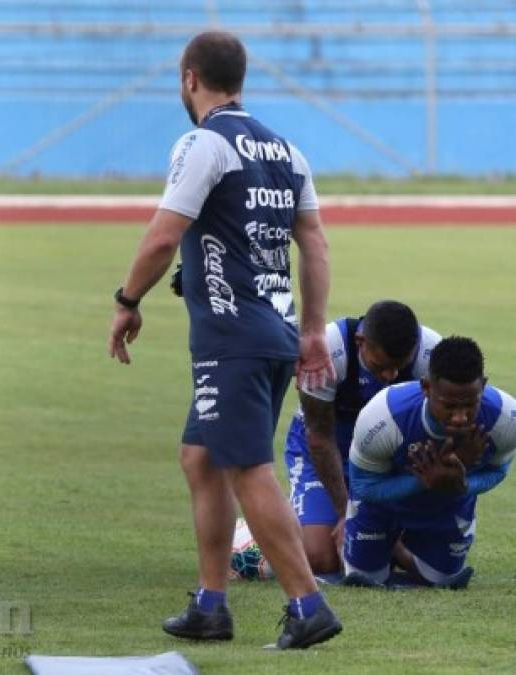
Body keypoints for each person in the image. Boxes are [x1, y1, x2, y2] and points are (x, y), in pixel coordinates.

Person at [108, 30, 341, 649]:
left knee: (246, 469)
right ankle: (212, 603)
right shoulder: (287, 151)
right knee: (201, 457)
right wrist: (313, 329)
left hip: (231, 339)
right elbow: (313, 242)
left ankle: (306, 605)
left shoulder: (203, 143)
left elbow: (163, 236)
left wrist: (127, 301)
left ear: (190, 78)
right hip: (273, 331)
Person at [343, 336, 515, 588]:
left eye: (469, 405)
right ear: (426, 387)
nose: (459, 417)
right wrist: (424, 481)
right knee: (365, 580)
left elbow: (499, 470)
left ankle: (398, 550)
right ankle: (385, 541)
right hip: (383, 506)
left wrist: (462, 483)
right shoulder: (383, 415)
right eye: (449, 406)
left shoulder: (505, 418)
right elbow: (363, 487)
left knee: (441, 580)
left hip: (449, 503)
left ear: (483, 386)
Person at [284, 300, 440, 574]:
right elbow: (319, 436)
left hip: (385, 459)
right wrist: (347, 516)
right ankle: (253, 532)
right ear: (360, 341)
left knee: (416, 551)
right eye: (380, 366)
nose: (389, 376)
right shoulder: (329, 348)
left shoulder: (431, 355)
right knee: (321, 558)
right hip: (324, 452)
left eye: (398, 367)